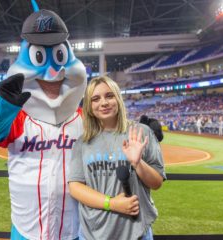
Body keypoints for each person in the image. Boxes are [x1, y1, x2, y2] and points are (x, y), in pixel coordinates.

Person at [0, 7, 87, 240]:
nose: (52, 71)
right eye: (39, 57)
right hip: (27, 228)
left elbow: (114, 136)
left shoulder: (83, 118)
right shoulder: (19, 117)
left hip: (74, 229)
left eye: (59, 58)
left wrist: (145, 131)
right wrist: (5, 105)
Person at [68, 76, 166, 240]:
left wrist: (138, 163)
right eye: (96, 99)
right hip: (92, 233)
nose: (104, 103)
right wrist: (112, 203)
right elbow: (75, 187)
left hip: (137, 232)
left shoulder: (142, 132)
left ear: (118, 98)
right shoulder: (82, 143)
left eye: (109, 96)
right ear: (90, 107)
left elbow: (156, 183)